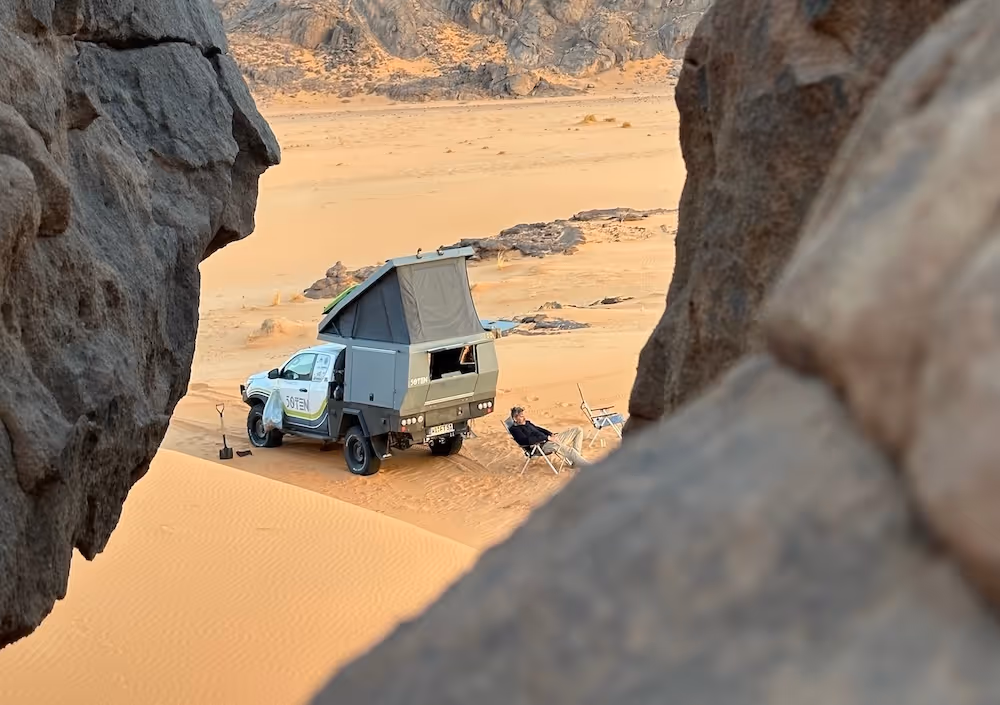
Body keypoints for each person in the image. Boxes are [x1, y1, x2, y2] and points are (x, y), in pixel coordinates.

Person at [508, 406, 591, 467]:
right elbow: (526, 441)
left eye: (523, 415)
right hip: (541, 446)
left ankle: (576, 461)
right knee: (570, 451)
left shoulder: (527, 423)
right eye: (521, 416)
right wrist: (547, 438)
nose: (524, 417)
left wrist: (550, 434)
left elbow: (539, 429)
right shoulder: (515, 430)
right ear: (515, 419)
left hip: (549, 439)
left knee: (578, 430)